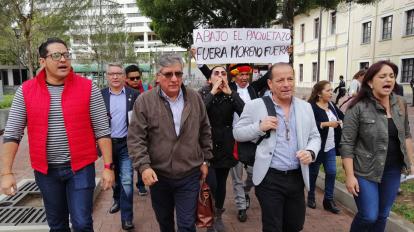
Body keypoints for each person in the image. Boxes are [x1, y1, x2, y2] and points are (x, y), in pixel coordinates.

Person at [0, 37, 114, 231]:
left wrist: (108, 167)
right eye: (56, 55)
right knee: (57, 224)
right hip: (46, 172)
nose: (63, 59)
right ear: (42, 61)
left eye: (66, 55)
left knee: (82, 223)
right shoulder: (26, 91)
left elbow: (102, 130)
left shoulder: (88, 88)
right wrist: (6, 173)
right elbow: (12, 133)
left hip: (80, 168)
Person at [127, 53, 213, 232]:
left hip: (189, 174)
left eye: (178, 74)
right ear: (158, 76)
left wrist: (206, 159)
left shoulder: (194, 98)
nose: (174, 79)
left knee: (186, 225)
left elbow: (205, 130)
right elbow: (136, 138)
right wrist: (144, 166)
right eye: (168, 74)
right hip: (159, 176)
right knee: (165, 222)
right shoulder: (144, 101)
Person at [233, 63, 321, 232]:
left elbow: (315, 136)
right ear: (270, 84)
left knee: (294, 226)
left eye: (290, 79)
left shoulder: (305, 107)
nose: (286, 84)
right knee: (273, 227)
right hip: (269, 178)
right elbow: (237, 133)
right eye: (280, 80)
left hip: (297, 177)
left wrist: (311, 152)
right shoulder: (255, 105)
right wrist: (259, 127)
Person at [340, 60, 414, 232]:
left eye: (391, 76)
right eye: (382, 76)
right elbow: (347, 144)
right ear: (370, 82)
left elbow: (407, 135)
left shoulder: (400, 103)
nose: (388, 80)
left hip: (392, 170)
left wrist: (411, 162)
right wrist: (350, 176)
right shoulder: (357, 107)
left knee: (382, 215)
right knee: (369, 215)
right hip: (365, 171)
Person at [198, 66, 244, 231]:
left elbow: (245, 111)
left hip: (225, 145)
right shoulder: (203, 94)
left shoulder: (231, 95)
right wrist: (213, 92)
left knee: (222, 183)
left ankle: (217, 216)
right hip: (207, 145)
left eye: (223, 73)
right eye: (216, 73)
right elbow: (198, 113)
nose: (220, 76)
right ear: (209, 79)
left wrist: (230, 93)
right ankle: (208, 216)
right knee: (211, 183)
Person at [101, 63, 139, 230]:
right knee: (114, 177)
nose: (115, 77)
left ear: (124, 77)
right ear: (107, 77)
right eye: (111, 74)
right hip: (108, 145)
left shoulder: (135, 95)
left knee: (127, 180)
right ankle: (117, 199)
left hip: (126, 144)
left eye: (118, 73)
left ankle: (127, 217)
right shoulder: (100, 96)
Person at [307, 80, 344, 214]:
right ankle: (310, 197)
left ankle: (328, 200)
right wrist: (326, 124)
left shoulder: (332, 105)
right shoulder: (311, 106)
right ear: (319, 93)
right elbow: (308, 124)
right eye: (328, 90)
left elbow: (343, 117)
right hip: (317, 147)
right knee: (313, 173)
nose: (331, 93)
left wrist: (342, 121)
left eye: (331, 90)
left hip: (331, 146)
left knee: (332, 172)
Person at [124, 64, 150, 196]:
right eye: (132, 78)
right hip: (124, 134)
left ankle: (141, 184)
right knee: (126, 166)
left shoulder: (146, 90)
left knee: (141, 157)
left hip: (142, 132)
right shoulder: (121, 92)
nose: (135, 80)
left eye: (137, 78)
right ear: (126, 79)